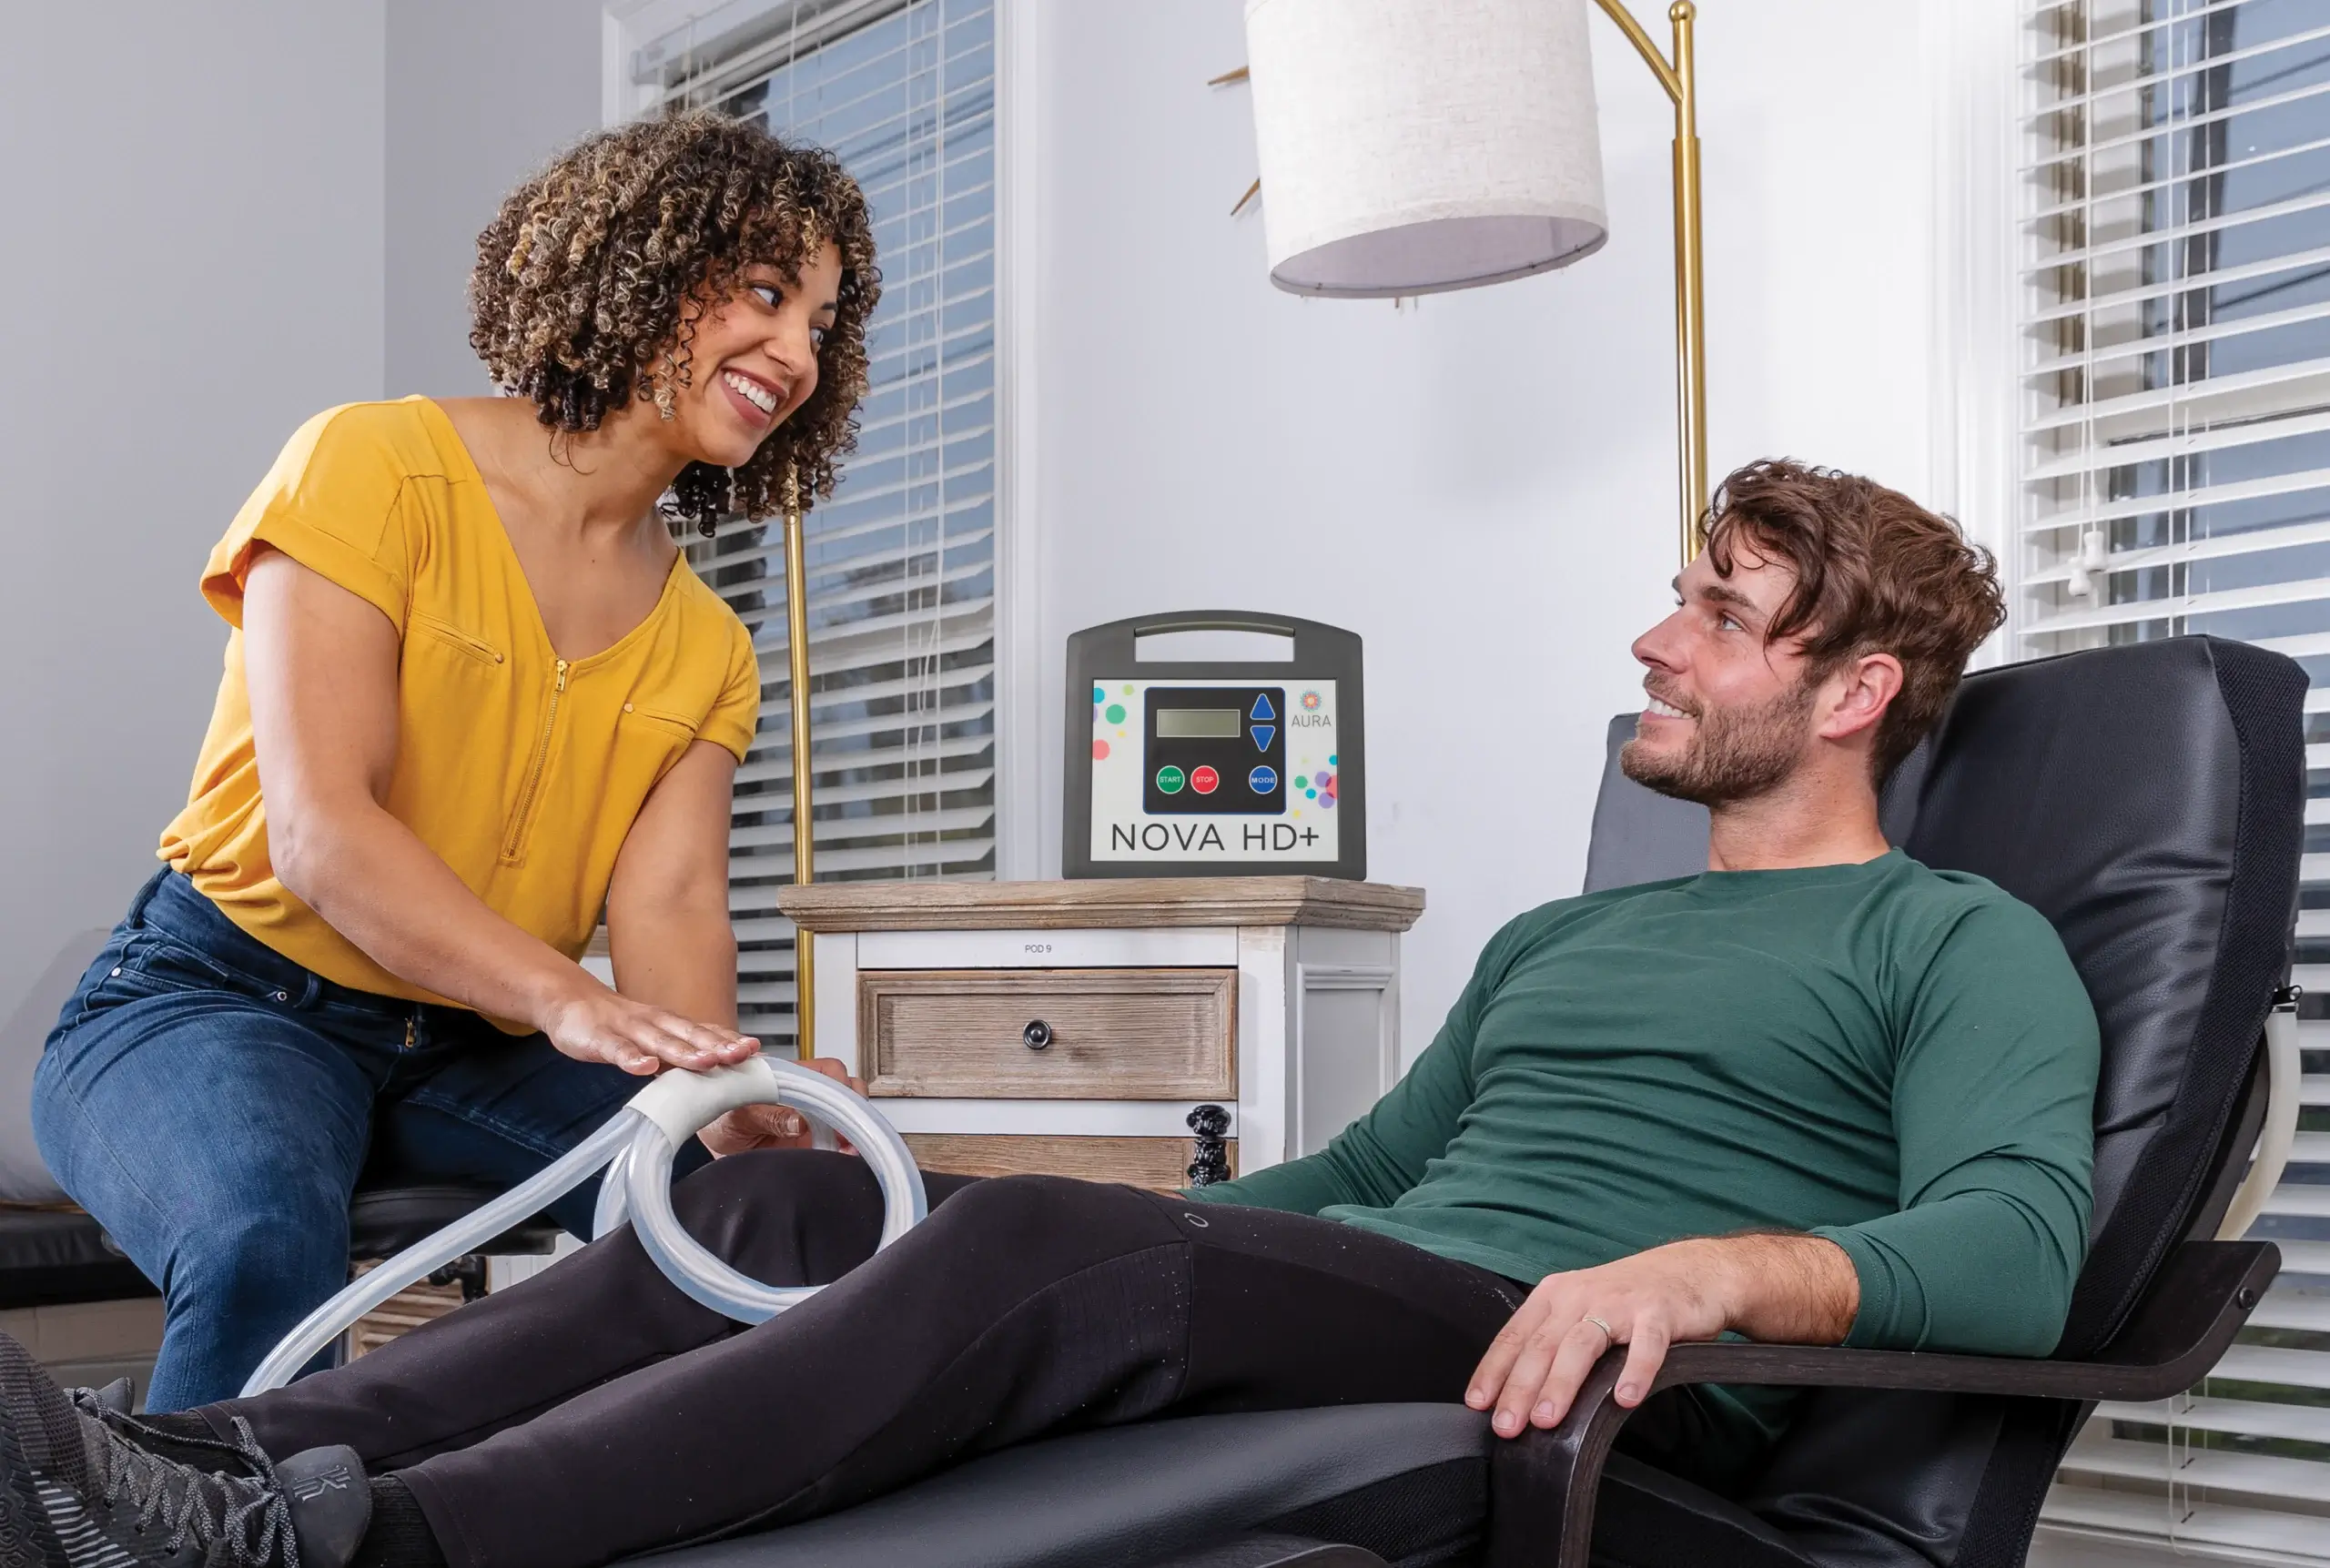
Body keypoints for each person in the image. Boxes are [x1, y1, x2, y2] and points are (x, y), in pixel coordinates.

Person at [0, 461, 2102, 1568]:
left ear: (1846, 699)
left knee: (1033, 1238)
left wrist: (1713, 1268)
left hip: (1581, 1382)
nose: (1652, 636)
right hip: (1393, 1289)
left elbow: (2019, 1253)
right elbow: (1355, 1179)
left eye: (1717, 620)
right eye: (1677, 590)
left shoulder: (1949, 940)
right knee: (781, 1210)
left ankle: (369, 1546)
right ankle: (189, 1471)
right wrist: (1061, 1251)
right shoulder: (1566, 943)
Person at [28, 112, 876, 1412]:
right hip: (216, 994)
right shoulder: (371, 467)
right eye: (766, 293)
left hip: (462, 1045)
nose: (795, 352)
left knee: (733, 1217)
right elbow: (323, 834)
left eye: (821, 324)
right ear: (646, 261)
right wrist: (568, 1001)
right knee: (265, 1241)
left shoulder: (706, 642)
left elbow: (669, 909)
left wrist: (719, 1093)